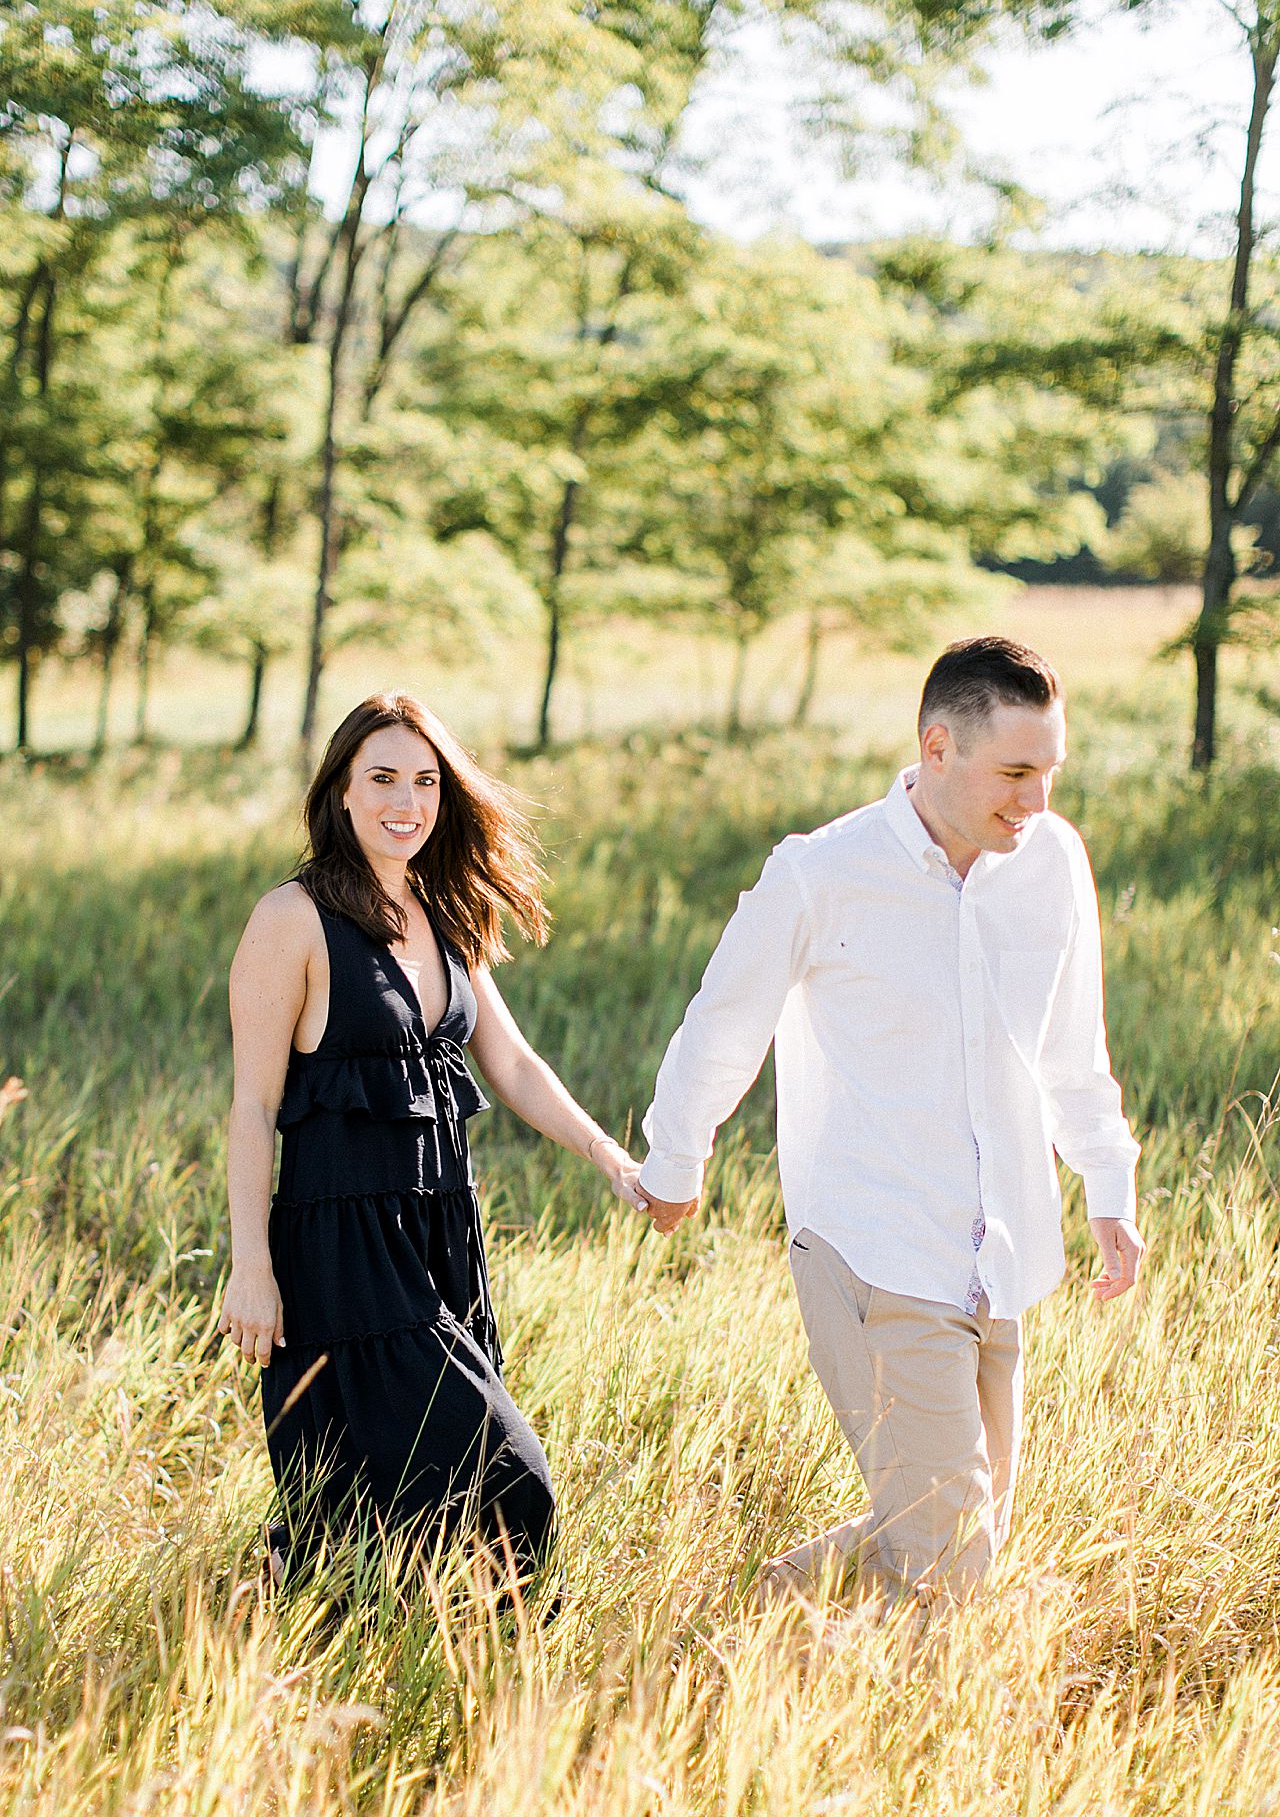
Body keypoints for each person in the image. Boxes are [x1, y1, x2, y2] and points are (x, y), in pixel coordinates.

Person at [635, 637, 1144, 1609]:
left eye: (1048, 772)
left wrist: (1105, 1186)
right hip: (874, 1253)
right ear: (937, 745)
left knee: (967, 1515)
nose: (1034, 802)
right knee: (949, 1559)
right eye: (1013, 773)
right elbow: (722, 1022)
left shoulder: (1052, 863)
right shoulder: (820, 873)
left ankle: (770, 1602)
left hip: (997, 1256)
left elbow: (1072, 1049)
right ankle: (921, 1737)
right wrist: (674, 1159)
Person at [218, 691, 644, 1585]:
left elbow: (514, 1065)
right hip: (341, 1249)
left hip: (442, 1232)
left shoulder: (446, 911)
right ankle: (505, 1662)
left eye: (425, 782)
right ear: (340, 790)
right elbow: (253, 1108)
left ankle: (417, 1688)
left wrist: (608, 1153)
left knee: (388, 1505)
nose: (404, 802)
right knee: (508, 1483)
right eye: (381, 779)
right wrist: (250, 1265)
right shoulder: (290, 920)